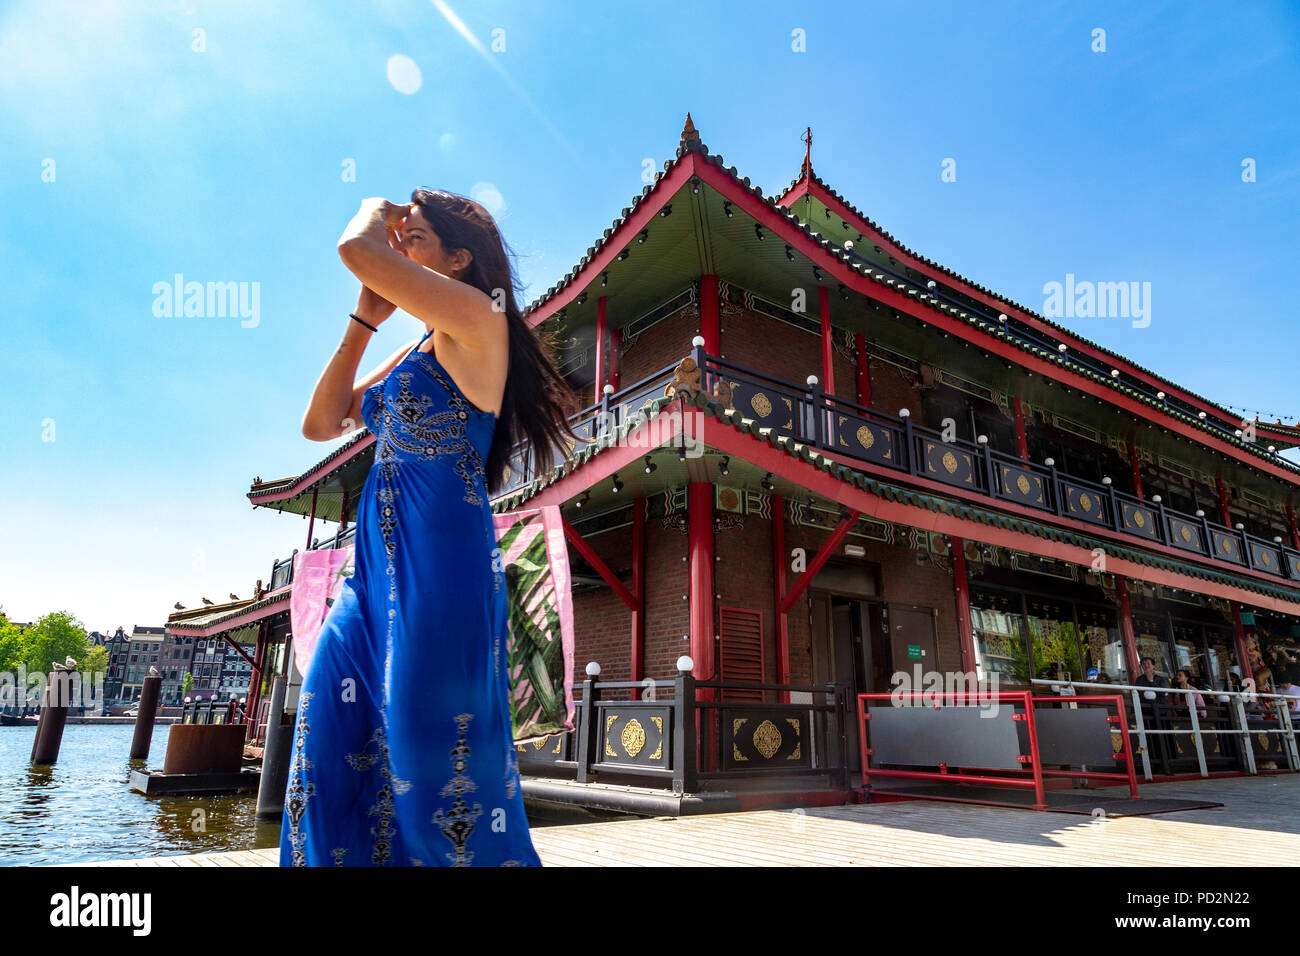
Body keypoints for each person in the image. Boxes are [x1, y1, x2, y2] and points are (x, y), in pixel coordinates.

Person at [280, 190, 580, 867]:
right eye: (400, 228)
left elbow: (355, 247)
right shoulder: (420, 346)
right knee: (321, 761)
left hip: (442, 578)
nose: (398, 234)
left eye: (416, 232)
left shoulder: (480, 318)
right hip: (368, 585)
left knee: (438, 781)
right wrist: (364, 317)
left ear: (460, 256)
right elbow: (321, 424)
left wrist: (372, 204)